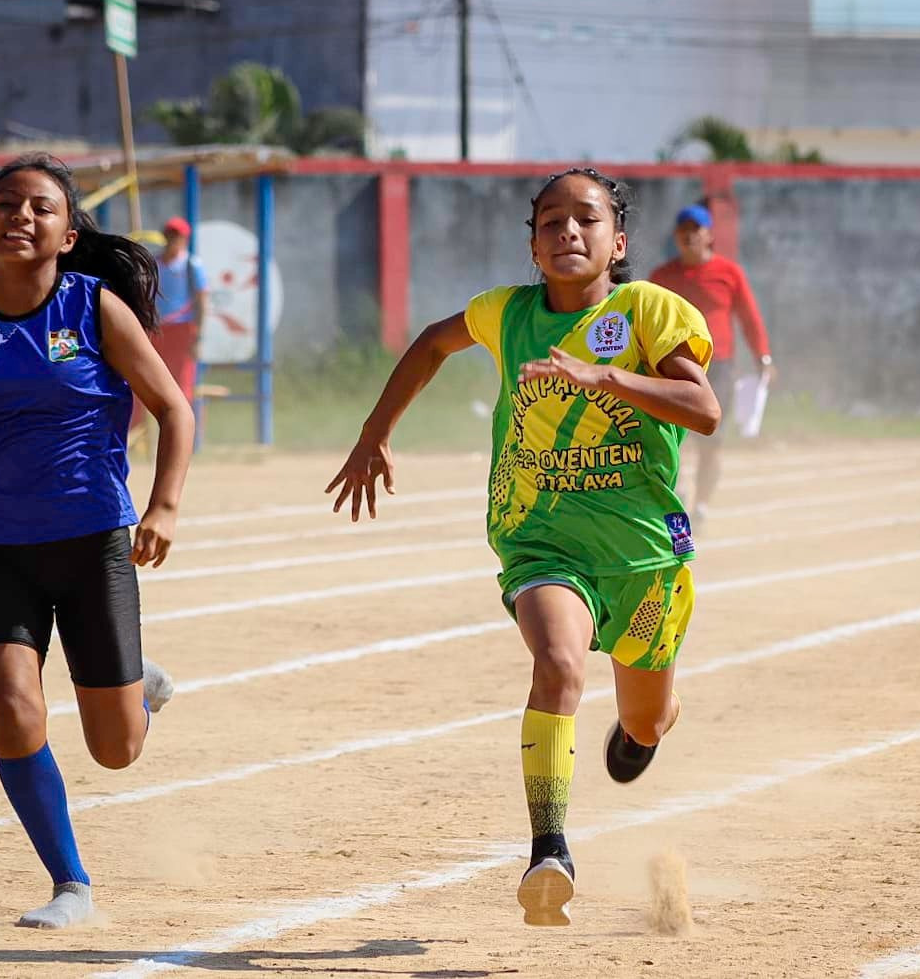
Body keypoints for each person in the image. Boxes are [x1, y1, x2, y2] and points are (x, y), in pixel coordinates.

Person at [326, 168, 718, 927]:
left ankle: (645, 728)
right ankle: (550, 848)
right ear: (533, 246)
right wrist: (374, 434)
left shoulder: (648, 309)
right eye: (549, 222)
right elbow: (432, 343)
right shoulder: (504, 314)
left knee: (646, 719)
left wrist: (605, 374)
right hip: (540, 540)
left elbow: (703, 408)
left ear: (618, 241)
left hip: (643, 559)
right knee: (559, 663)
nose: (567, 231)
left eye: (586, 220)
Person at [0, 153, 196, 929]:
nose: (20, 216)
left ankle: (137, 688)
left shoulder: (95, 309)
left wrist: (163, 507)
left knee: (115, 749)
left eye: (40, 207)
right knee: (12, 703)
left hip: (91, 542)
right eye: (4, 204)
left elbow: (174, 410)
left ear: (66, 231)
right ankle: (70, 882)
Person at [647, 203, 772, 525]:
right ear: (676, 237)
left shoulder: (729, 273)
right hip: (672, 367)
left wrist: (763, 357)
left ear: (708, 235)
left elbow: (748, 317)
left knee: (710, 439)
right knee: (670, 436)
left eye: (695, 231)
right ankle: (679, 490)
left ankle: (701, 505)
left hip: (719, 366)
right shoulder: (662, 278)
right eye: (683, 231)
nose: (689, 237)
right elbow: (645, 322)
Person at [153, 215, 208, 404]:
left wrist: (198, 338)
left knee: (182, 387)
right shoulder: (154, 264)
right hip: (157, 331)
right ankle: (138, 433)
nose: (172, 240)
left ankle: (188, 433)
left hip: (182, 330)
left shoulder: (191, 265)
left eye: (176, 236)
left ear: (185, 239)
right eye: (169, 235)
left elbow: (202, 303)